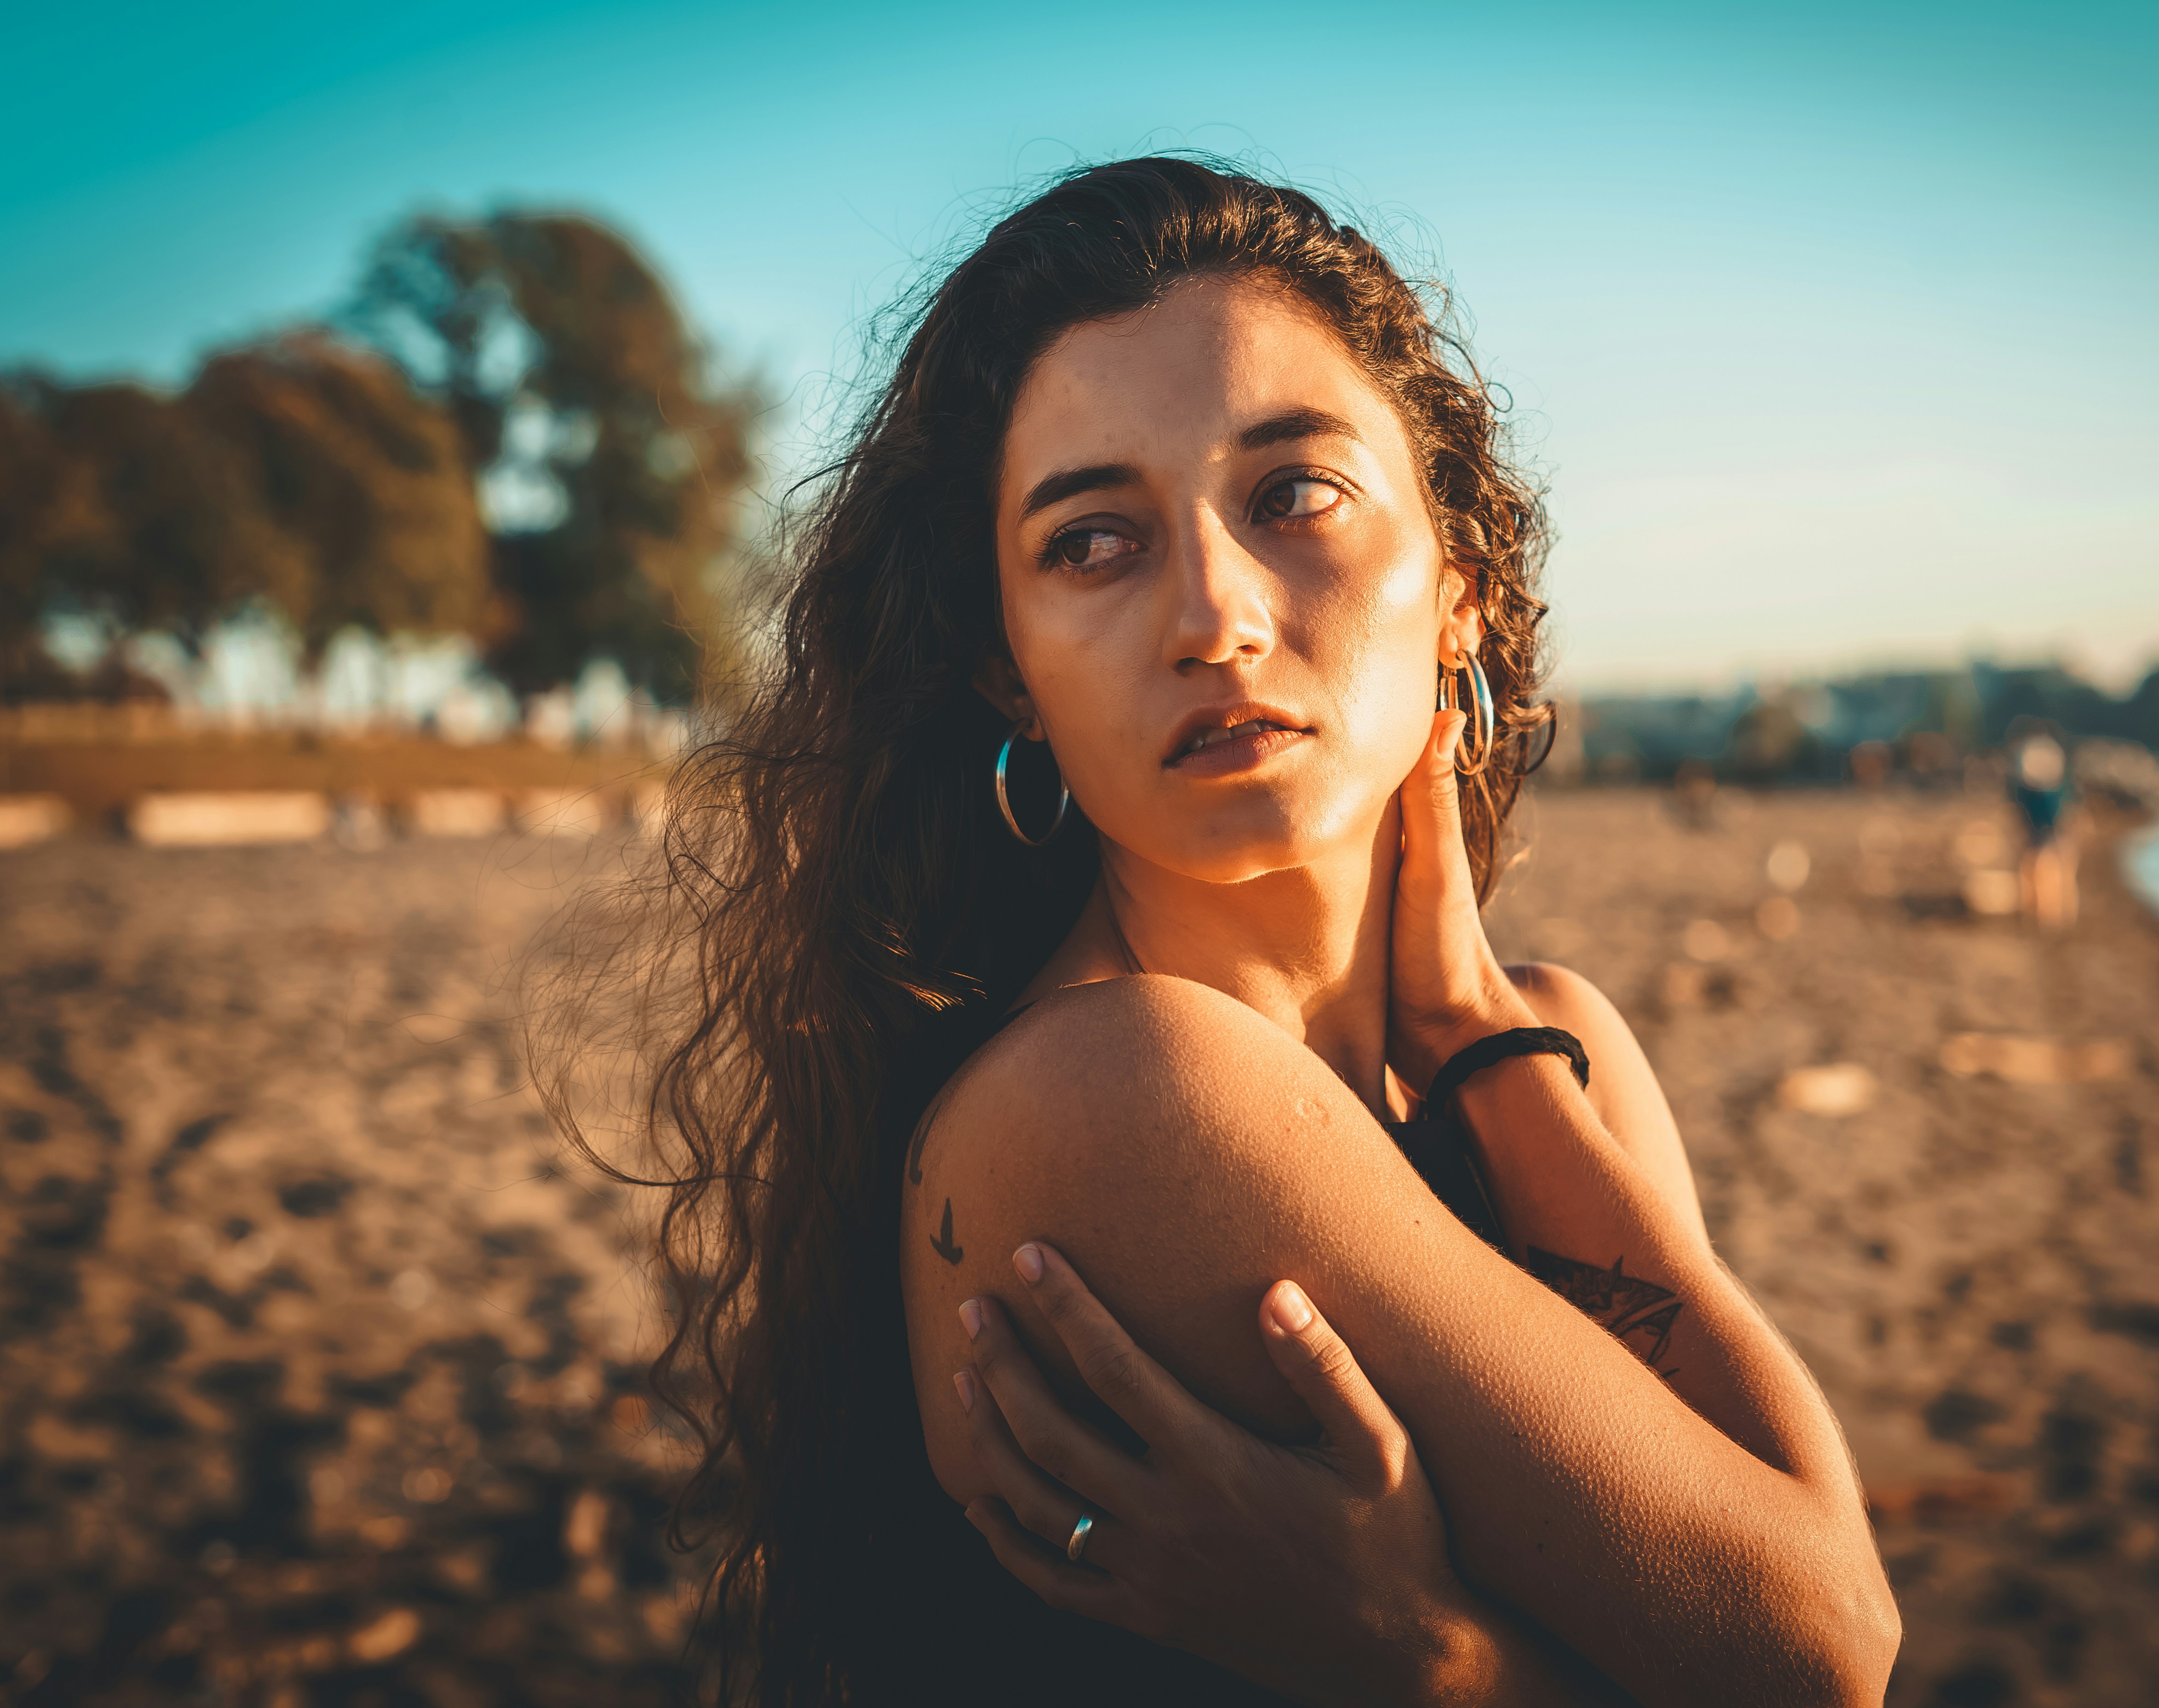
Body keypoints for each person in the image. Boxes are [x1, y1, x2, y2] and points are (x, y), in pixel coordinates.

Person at [604, 158, 1897, 1705]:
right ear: (1008, 672)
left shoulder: (1550, 1050)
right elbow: (1821, 1645)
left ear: (1460, 585)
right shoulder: (1115, 1086)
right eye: (1093, 541)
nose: (1213, 615)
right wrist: (1440, 1668)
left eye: (1292, 495)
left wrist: (1483, 1042)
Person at [2009, 725, 2079, 930]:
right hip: (2050, 812)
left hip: (2038, 812)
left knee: (2038, 860)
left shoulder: (2029, 754)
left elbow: (2021, 792)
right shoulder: (2051, 753)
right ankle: (2052, 912)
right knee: (2052, 861)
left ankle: (2041, 911)